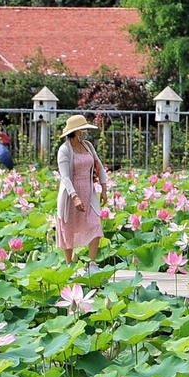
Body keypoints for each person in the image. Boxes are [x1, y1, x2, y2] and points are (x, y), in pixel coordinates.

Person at [55, 115, 109, 273]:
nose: (85, 132)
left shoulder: (88, 145)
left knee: (95, 225)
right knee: (69, 227)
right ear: (76, 131)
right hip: (71, 194)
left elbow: (99, 166)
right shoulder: (64, 150)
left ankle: (92, 264)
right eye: (83, 129)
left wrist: (104, 189)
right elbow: (64, 177)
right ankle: (69, 265)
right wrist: (74, 196)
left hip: (89, 191)